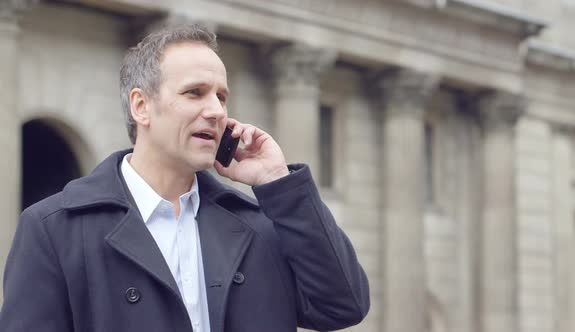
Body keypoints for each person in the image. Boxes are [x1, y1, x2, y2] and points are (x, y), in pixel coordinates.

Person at [0, 24, 370, 332]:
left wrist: (277, 181)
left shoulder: (259, 226)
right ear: (141, 106)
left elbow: (343, 305)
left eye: (222, 98)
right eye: (195, 93)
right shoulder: (54, 230)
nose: (215, 111)